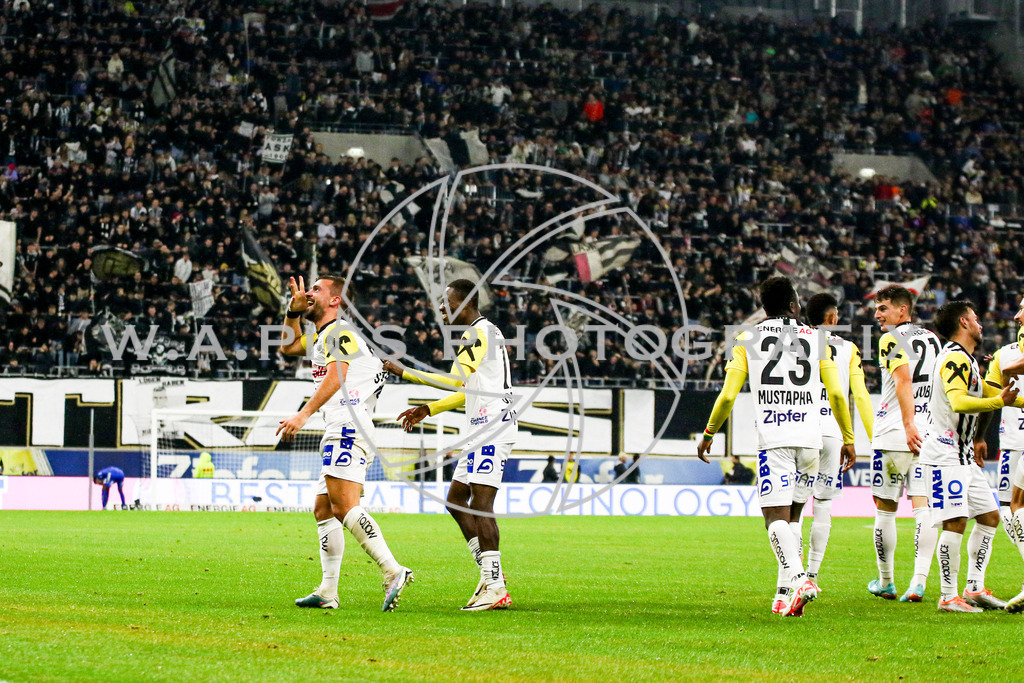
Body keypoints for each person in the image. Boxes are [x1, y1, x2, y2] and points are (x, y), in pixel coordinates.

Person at [698, 276, 856, 617]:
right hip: (811, 441)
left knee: (774, 518)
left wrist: (709, 433)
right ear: (793, 305)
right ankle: (784, 594)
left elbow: (727, 396)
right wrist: (849, 437)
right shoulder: (817, 338)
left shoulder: (746, 338)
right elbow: (837, 393)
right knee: (793, 518)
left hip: (774, 440)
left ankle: (799, 579)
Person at [276, 274, 412, 612]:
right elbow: (287, 347)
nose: (309, 292)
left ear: (335, 300)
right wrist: (292, 313)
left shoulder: (340, 331)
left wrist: (303, 414)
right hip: (342, 424)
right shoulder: (323, 335)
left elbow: (338, 375)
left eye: (317, 289)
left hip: (348, 426)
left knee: (344, 505)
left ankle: (392, 569)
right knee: (324, 510)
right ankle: (327, 591)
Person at [385, 278, 519, 611]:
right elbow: (466, 390)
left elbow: (456, 380)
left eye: (448, 304)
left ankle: (496, 587)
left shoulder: (477, 333)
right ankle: (489, 576)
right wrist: (429, 409)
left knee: (480, 505)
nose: (443, 310)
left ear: (466, 303)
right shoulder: (482, 332)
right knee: (457, 500)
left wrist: (406, 373)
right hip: (481, 428)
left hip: (492, 426)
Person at [919, 300, 1022, 612]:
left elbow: (992, 394)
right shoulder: (954, 358)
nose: (980, 323)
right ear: (963, 323)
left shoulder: (967, 359)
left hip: (962, 455)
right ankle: (948, 596)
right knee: (955, 521)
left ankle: (974, 588)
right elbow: (960, 402)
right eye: (975, 318)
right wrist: (999, 403)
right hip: (943, 454)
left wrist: (1013, 401)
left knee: (990, 517)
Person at [792, 293, 874, 588]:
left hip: (799, 428)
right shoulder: (849, 349)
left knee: (795, 506)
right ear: (832, 318)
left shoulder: (792, 343)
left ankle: (794, 573)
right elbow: (860, 396)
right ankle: (813, 575)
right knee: (823, 504)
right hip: (832, 432)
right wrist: (860, 438)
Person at [869, 285, 942, 603]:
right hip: (928, 434)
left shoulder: (890, 338)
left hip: (895, 432)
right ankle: (919, 582)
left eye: (883, 308)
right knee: (923, 508)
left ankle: (886, 582)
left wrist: (908, 423)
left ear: (903, 309)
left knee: (885, 509)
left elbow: (903, 380)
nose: (877, 314)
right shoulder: (933, 339)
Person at [982, 296, 1024, 542]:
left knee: (1011, 506)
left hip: (1014, 443)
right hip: (1012, 443)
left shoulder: (1004, 356)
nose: (1016, 317)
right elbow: (990, 396)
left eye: (1021, 310)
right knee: (1009, 507)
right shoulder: (1002, 354)